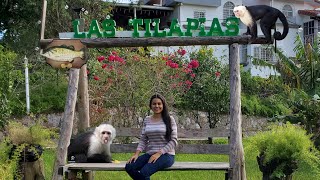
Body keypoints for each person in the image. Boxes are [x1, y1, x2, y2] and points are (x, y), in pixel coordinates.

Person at [125, 94, 178, 180]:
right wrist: (136, 154)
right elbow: (143, 139)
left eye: (159, 103)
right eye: (154, 104)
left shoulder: (170, 119)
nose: (157, 106)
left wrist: (158, 154)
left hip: (166, 155)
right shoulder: (147, 119)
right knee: (129, 166)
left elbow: (174, 141)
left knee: (144, 172)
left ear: (163, 105)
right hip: (150, 154)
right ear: (150, 105)